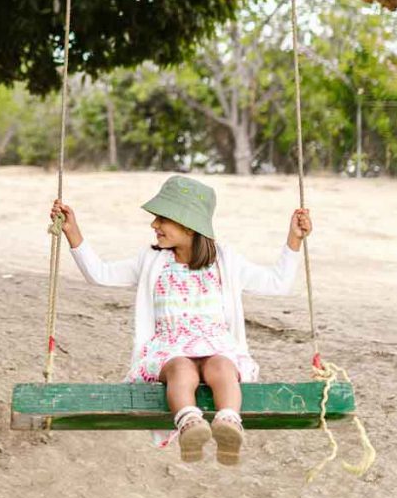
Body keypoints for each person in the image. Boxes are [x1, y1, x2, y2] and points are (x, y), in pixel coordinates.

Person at [51, 175, 311, 464]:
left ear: (188, 225)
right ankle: (190, 424)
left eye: (162, 219)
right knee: (180, 371)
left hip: (217, 346)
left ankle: (229, 423)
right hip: (170, 349)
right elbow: (100, 274)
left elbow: (278, 283)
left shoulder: (226, 260)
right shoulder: (151, 260)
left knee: (223, 367)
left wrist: (294, 240)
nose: (154, 225)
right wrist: (72, 232)